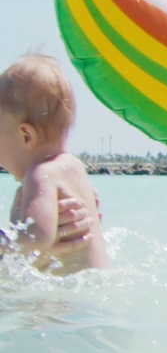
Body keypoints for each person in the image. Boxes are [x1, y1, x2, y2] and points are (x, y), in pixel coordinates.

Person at [0, 54, 107, 273]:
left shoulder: (41, 175)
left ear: (26, 136)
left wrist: (6, 246)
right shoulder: (74, 167)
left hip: (70, 302)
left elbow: (37, 237)